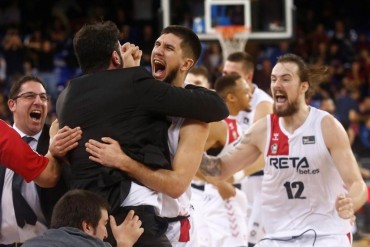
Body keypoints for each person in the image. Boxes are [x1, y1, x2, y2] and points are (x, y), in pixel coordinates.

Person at [57, 21, 228, 247]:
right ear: (116, 58)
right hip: (134, 218)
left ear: (187, 63)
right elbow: (217, 105)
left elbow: (176, 185)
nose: (157, 50)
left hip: (167, 223)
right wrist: (129, 74)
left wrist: (124, 161)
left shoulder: (65, 96)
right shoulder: (136, 87)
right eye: (157, 44)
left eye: (168, 48)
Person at [199, 53, 368, 246]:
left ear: (303, 86)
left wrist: (350, 203)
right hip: (278, 236)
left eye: (285, 79)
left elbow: (358, 185)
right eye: (273, 79)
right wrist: (188, 149)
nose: (277, 84)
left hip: (326, 234)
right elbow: (220, 169)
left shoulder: (326, 126)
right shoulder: (262, 130)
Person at [0, 75, 77, 246]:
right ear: (12, 104)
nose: (39, 102)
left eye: (43, 98)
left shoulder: (60, 138)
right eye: (29, 96)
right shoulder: (3, 140)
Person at [191, 73, 252, 246]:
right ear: (231, 97)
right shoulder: (219, 124)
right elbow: (187, 158)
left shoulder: (234, 123)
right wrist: (218, 184)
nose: (251, 94)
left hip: (228, 194)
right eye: (246, 91)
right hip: (216, 198)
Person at [222, 51, 273, 246]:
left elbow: (264, 154)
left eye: (232, 74)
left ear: (248, 77)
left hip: (259, 182)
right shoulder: (223, 100)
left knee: (254, 241)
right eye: (224, 73)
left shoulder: (263, 105)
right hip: (235, 180)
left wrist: (237, 175)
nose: (226, 78)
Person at [23, 189, 143, 247]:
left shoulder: (28, 244)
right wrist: (124, 243)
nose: (106, 235)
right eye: (104, 224)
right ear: (87, 226)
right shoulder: (91, 244)